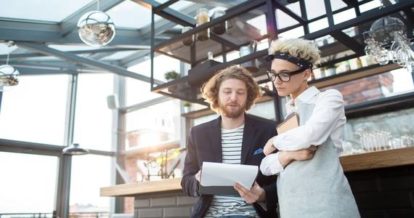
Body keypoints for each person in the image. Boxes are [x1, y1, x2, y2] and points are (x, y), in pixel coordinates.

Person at [181, 65, 316, 218]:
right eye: (227, 92)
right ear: (216, 95)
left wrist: (263, 194)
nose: (233, 98)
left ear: (248, 97)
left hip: (252, 214)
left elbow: (289, 177)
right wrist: (198, 182)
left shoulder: (269, 130)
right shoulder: (198, 134)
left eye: (240, 92)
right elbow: (186, 182)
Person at [260, 38, 360, 218]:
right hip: (291, 206)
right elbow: (266, 165)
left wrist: (275, 141)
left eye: (284, 74)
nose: (277, 81)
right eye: (273, 74)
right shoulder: (288, 113)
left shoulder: (328, 99)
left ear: (306, 74)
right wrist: (289, 155)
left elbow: (311, 135)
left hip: (326, 203)